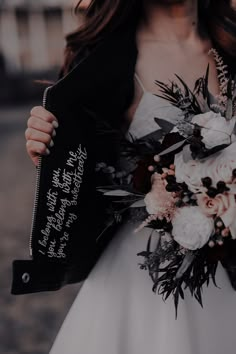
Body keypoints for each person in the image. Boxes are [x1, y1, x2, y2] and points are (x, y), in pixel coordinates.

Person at [25, 1, 236, 353]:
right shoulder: (101, 61)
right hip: (142, 275)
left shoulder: (229, 46)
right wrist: (47, 153)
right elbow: (79, 179)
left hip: (225, 269)